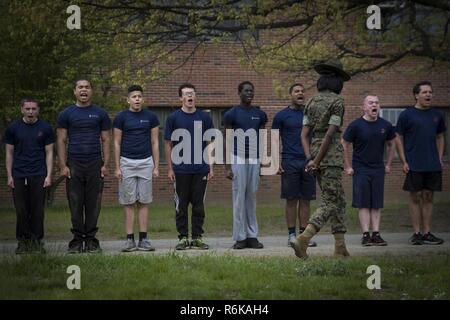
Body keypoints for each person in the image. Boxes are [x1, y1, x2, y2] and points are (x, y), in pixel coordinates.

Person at [291, 59, 351, 259]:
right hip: (330, 155)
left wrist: (311, 158)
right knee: (330, 200)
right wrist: (316, 161)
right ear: (336, 84)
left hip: (315, 153)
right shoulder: (337, 101)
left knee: (339, 200)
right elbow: (329, 134)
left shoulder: (310, 101)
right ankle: (304, 238)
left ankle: (340, 247)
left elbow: (303, 134)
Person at [57, 78, 111, 254]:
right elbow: (62, 140)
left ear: (91, 91)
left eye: (87, 87)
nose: (84, 90)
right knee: (75, 203)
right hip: (74, 164)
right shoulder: (66, 114)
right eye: (80, 87)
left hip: (95, 164)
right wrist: (63, 165)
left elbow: (105, 139)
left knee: (93, 204)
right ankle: (77, 240)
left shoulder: (100, 114)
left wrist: (106, 164)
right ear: (74, 91)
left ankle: (91, 241)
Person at [395, 81, 446, 245]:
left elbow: (440, 137)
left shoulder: (437, 115)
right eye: (424, 92)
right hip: (413, 163)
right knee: (415, 197)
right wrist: (403, 160)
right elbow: (398, 137)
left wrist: (439, 158)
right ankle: (416, 234)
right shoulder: (406, 115)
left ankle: (427, 233)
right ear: (416, 95)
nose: (428, 95)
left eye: (430, 92)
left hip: (432, 164)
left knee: (428, 196)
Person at [164, 83, 214, 250]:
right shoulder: (173, 118)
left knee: (199, 205)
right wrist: (170, 168)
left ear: (195, 96)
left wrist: (211, 166)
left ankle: (197, 237)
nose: (189, 96)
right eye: (186, 94)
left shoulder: (205, 117)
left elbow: (209, 143)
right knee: (181, 205)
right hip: (180, 169)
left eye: (192, 93)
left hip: (201, 168)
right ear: (181, 98)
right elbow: (168, 144)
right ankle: (183, 238)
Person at [342, 95, 396, 246]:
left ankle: (376, 234)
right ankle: (366, 235)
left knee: (376, 203)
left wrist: (389, 164)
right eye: (371, 103)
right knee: (364, 203)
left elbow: (392, 143)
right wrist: (348, 166)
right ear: (364, 107)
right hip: (361, 169)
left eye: (377, 103)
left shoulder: (386, 125)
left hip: (378, 169)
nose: (375, 105)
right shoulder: (356, 125)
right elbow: (344, 143)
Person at [4, 98, 54, 254]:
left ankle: (36, 242)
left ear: (38, 110)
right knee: (21, 210)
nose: (30, 112)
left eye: (33, 109)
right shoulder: (13, 128)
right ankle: (23, 242)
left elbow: (50, 153)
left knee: (37, 210)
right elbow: (9, 153)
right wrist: (9, 175)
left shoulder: (45, 128)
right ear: (22, 110)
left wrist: (49, 175)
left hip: (39, 174)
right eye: (28, 109)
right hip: (18, 174)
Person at [113, 85, 160, 252]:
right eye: (134, 96)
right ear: (128, 99)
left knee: (144, 201)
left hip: (146, 162)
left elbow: (155, 142)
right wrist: (117, 166)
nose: (137, 99)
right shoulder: (121, 117)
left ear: (143, 99)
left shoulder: (151, 117)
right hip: (127, 162)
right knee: (128, 202)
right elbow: (117, 142)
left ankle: (144, 240)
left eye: (139, 96)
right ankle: (129, 240)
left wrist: (155, 166)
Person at [223, 81, 268, 249]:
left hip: (254, 160)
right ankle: (240, 237)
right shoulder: (231, 114)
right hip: (238, 158)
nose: (250, 93)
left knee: (251, 197)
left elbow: (262, 141)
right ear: (239, 93)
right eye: (246, 90)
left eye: (252, 90)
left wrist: (262, 163)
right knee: (239, 198)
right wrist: (227, 167)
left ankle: (252, 236)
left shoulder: (260, 115)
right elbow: (226, 141)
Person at [272, 83, 317, 247]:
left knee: (306, 200)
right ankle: (291, 235)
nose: (301, 93)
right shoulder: (281, 116)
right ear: (290, 95)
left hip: (308, 162)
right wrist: (276, 162)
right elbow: (275, 140)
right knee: (291, 200)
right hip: (289, 161)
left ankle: (304, 236)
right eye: (297, 91)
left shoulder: (310, 114)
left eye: (302, 91)